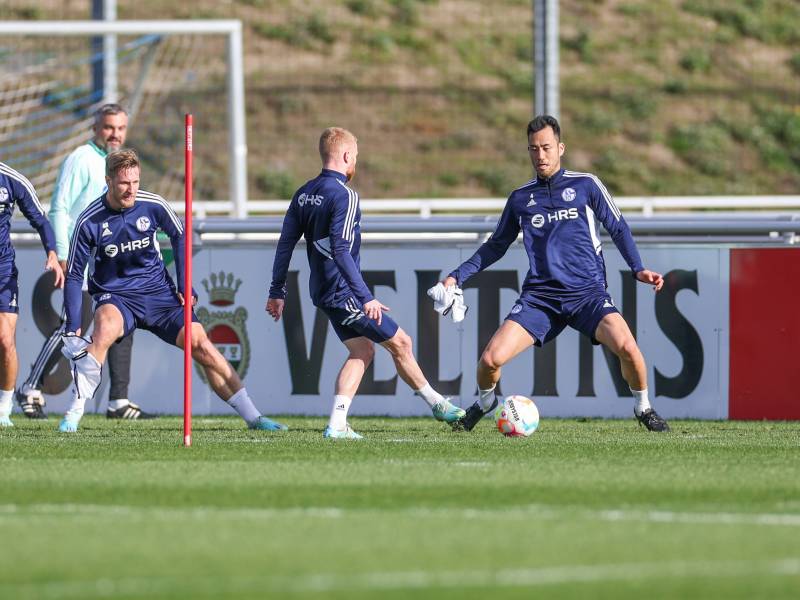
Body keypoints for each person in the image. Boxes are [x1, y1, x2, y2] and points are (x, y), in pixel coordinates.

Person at [442, 115, 670, 432]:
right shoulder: (520, 198)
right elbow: (496, 245)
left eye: (546, 147)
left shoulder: (586, 185)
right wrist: (457, 276)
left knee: (628, 349)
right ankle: (485, 402)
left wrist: (638, 268)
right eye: (533, 149)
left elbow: (618, 227)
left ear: (560, 148)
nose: (540, 155)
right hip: (541, 299)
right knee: (489, 361)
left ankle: (644, 408)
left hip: (588, 295)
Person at [58, 149, 285, 433]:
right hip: (116, 296)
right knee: (103, 331)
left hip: (159, 294)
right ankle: (74, 412)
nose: (131, 190)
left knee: (202, 346)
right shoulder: (89, 220)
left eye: (135, 182)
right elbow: (74, 274)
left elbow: (180, 234)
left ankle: (254, 417)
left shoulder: (153, 205)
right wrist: (73, 325)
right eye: (124, 183)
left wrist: (184, 283)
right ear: (108, 181)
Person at [267, 127, 465, 439]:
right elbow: (340, 250)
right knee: (401, 343)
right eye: (356, 157)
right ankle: (438, 405)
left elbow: (284, 244)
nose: (355, 162)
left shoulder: (303, 193)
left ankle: (337, 423)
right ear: (347, 156)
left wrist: (277, 290)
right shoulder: (345, 195)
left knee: (362, 350)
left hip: (323, 291)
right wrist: (365, 297)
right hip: (343, 292)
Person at [16, 103, 151, 420]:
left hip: (112, 264)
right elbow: (60, 208)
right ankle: (30, 387)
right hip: (82, 262)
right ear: (95, 128)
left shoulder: (120, 165)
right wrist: (63, 254)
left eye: (120, 128)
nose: (115, 134)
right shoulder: (81, 159)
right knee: (72, 327)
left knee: (123, 325)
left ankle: (118, 401)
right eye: (108, 127)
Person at [0, 162, 64, 427]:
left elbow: (40, 219)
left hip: (2, 272)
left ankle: (3, 408)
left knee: (5, 340)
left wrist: (52, 252)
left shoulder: (11, 179)